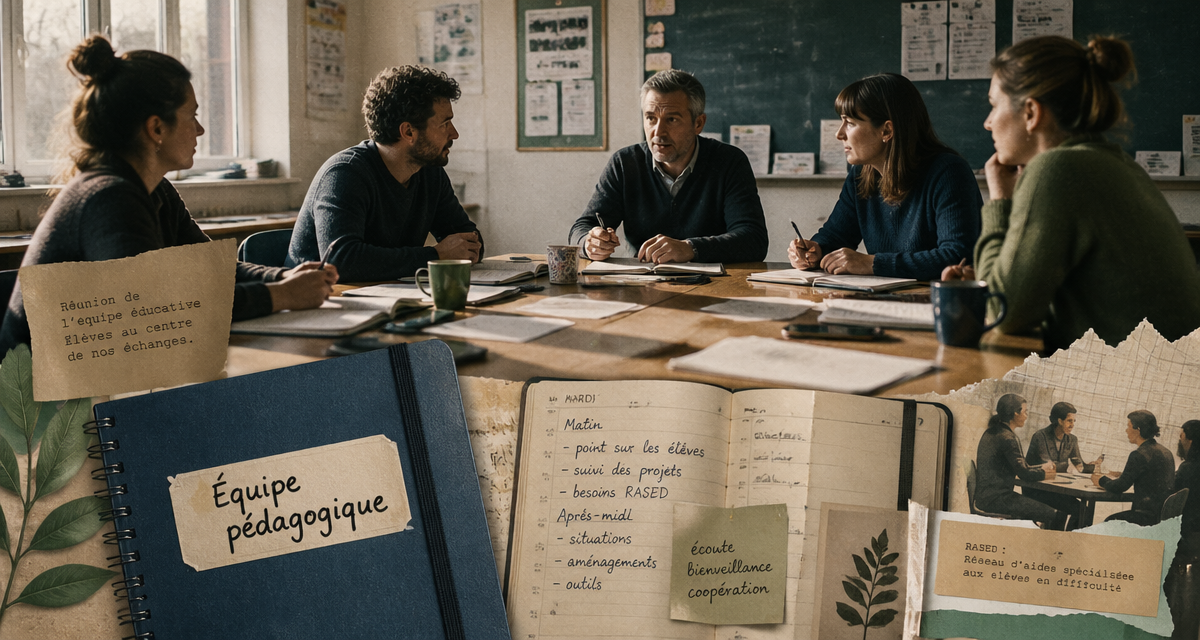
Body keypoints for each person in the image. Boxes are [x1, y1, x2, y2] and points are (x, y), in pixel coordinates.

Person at [0, 36, 336, 355]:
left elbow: (212, 269)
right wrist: (280, 295)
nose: (201, 130)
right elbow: (157, 312)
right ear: (157, 128)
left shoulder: (153, 187)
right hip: (44, 407)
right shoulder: (108, 197)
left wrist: (284, 277)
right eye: (192, 116)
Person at [942, 35, 1200, 351]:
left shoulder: (1056, 168)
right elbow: (1028, 295)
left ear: (1031, 113)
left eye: (994, 105)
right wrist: (988, 276)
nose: (987, 122)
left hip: (1136, 390)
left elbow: (1004, 311)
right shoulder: (1110, 162)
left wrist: (999, 200)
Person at [287, 65, 482, 282]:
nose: (454, 133)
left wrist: (462, 249)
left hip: (386, 296)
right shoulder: (345, 173)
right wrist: (435, 255)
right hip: (321, 304)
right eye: (445, 123)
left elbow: (471, 242)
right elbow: (341, 262)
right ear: (408, 132)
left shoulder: (429, 173)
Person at [788, 73, 981, 281]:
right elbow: (835, 237)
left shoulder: (949, 172)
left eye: (850, 123)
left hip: (937, 302)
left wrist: (872, 263)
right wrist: (815, 252)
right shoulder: (861, 174)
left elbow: (957, 256)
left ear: (887, 130)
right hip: (883, 300)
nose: (839, 134)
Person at [568, 69, 768, 264]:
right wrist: (590, 242)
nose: (658, 132)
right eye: (650, 118)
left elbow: (753, 240)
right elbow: (583, 227)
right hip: (643, 285)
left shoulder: (729, 161)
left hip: (715, 286)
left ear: (698, 123)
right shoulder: (625, 163)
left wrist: (690, 248)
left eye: (671, 119)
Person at [975, 394, 1068, 530]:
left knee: (1039, 510)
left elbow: (1019, 466)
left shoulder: (993, 432)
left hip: (987, 496)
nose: (1026, 415)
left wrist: (1041, 467)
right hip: (997, 499)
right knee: (1056, 514)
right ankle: (1052, 550)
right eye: (1025, 412)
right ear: (1015, 414)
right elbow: (1024, 473)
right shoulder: (1008, 438)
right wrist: (1045, 473)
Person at [1023, 401, 1100, 529]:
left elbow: (1078, 465)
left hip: (1057, 490)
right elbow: (1048, 465)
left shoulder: (1072, 439)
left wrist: (1093, 467)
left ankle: (1068, 539)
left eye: (1074, 421)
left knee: (1083, 511)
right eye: (1070, 421)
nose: (1072, 425)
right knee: (1074, 510)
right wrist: (1070, 465)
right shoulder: (1040, 437)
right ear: (1059, 420)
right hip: (1037, 489)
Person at [1092, 409, 1175, 525]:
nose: (1126, 431)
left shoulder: (1139, 454)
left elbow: (1120, 486)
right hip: (1162, 516)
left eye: (1128, 426)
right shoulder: (1166, 452)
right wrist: (1123, 474)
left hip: (1145, 517)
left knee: (1110, 522)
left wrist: (1100, 480)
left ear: (1138, 430)